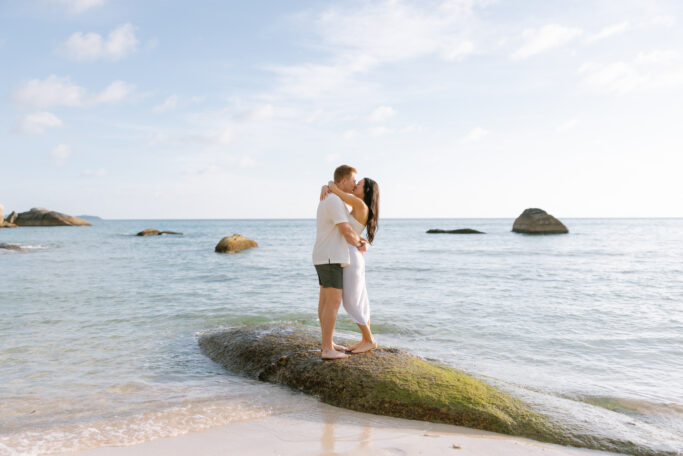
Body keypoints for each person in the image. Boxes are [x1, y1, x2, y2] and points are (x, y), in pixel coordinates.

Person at [312, 165, 368, 360]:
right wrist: (360, 242)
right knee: (333, 302)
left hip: (325, 255)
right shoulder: (334, 200)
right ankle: (327, 348)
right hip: (330, 256)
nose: (354, 184)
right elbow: (345, 231)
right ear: (343, 181)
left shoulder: (332, 198)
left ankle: (327, 343)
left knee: (326, 301)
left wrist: (328, 185)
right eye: (353, 180)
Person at [320, 176, 380, 354]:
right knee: (359, 299)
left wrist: (328, 185)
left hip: (351, 257)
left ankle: (369, 339)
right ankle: (365, 339)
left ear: (367, 190)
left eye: (359, 184)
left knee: (351, 301)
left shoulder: (359, 205)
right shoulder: (356, 206)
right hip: (350, 255)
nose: (355, 185)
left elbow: (337, 192)